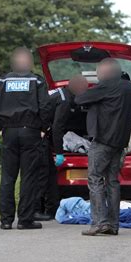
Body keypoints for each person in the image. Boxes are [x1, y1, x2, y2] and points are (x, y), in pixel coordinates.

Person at [75, 58, 131, 236]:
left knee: (95, 179)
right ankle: (113, 225)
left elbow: (80, 99)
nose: (98, 75)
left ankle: (99, 222)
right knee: (112, 181)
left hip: (103, 141)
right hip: (120, 143)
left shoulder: (106, 85)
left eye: (99, 71)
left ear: (106, 73)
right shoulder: (129, 88)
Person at [0, 47, 51, 230]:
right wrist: (43, 128)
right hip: (31, 132)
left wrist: (0, 126)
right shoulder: (36, 80)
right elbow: (45, 106)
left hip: (9, 132)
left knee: (8, 177)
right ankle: (25, 220)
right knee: (28, 177)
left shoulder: (2, 81)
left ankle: (5, 220)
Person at [34, 75, 89, 221]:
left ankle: (51, 209)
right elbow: (58, 128)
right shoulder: (64, 101)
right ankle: (36, 210)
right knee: (43, 174)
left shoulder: (60, 93)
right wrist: (59, 152)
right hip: (39, 137)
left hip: (42, 135)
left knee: (50, 174)